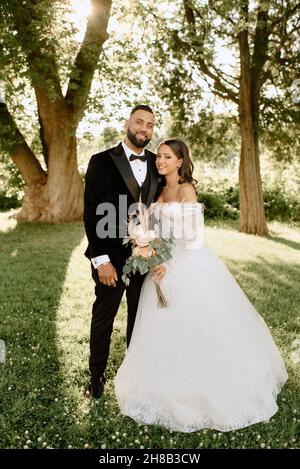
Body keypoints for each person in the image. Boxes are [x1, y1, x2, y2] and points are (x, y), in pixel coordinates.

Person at [114, 139, 288, 432]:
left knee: (196, 326)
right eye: (161, 156)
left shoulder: (186, 190)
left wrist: (165, 261)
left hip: (186, 265)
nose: (161, 161)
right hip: (158, 265)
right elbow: (148, 224)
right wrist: (145, 246)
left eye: (168, 157)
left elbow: (192, 235)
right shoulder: (158, 189)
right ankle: (163, 385)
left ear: (181, 161)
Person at [83, 105, 162, 398]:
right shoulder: (101, 161)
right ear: (127, 123)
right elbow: (91, 215)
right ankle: (96, 378)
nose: (144, 128)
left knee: (139, 319)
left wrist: (156, 249)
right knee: (104, 316)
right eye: (139, 122)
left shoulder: (158, 163)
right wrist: (101, 260)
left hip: (145, 255)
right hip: (110, 257)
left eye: (150, 125)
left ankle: (135, 378)